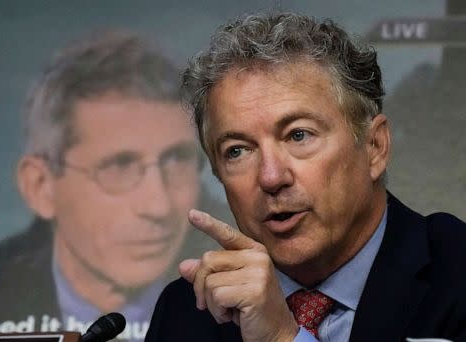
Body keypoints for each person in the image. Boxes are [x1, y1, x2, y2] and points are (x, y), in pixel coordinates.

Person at [145, 12, 466, 342]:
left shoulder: (457, 272)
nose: (271, 177)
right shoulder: (187, 312)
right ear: (216, 171)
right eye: (238, 151)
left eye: (298, 135)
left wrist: (283, 337)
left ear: (375, 146)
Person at [0, 30, 229, 342]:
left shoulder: (248, 315)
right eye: (120, 166)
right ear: (40, 186)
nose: (158, 206)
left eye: (177, 161)